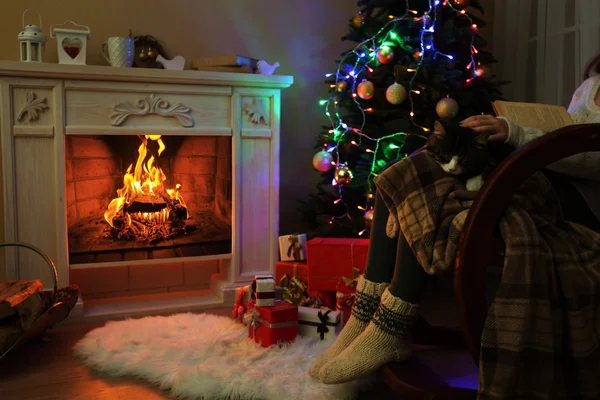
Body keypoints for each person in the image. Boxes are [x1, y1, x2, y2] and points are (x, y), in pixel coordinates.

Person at [308, 52, 600, 384]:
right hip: (546, 180)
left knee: (428, 181)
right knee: (415, 171)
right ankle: (366, 316)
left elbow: (587, 152)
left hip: (580, 209)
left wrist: (517, 133)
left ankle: (391, 326)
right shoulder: (591, 85)